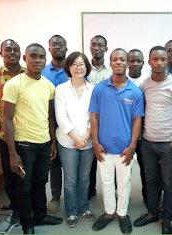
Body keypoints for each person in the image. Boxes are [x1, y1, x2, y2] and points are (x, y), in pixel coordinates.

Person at [3, 43, 63, 234]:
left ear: (45, 60)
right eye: (33, 56)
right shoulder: (14, 84)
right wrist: (12, 153)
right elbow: (7, 118)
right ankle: (27, 225)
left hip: (44, 143)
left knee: (40, 182)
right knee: (24, 186)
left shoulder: (48, 85)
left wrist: (53, 141)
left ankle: (41, 215)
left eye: (41, 57)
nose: (37, 60)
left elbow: (49, 116)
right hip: (24, 145)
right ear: (25, 59)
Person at [89, 48, 144, 234]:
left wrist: (132, 146)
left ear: (128, 63)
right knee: (105, 181)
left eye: (122, 59)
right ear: (110, 63)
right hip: (103, 147)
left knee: (124, 182)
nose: (118, 62)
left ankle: (122, 213)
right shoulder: (99, 89)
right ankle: (109, 212)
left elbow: (138, 120)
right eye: (115, 59)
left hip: (125, 149)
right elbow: (94, 116)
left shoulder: (135, 92)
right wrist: (95, 142)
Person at [134, 46, 172, 234]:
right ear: (149, 62)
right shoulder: (144, 84)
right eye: (154, 59)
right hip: (147, 142)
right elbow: (140, 112)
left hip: (168, 143)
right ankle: (152, 213)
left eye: (162, 59)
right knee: (150, 180)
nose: (158, 63)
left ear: (167, 62)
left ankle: (166, 219)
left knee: (169, 182)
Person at [0, 39, 26, 224]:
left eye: (16, 50)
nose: (12, 53)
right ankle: (16, 209)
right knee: (10, 175)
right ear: (1, 53)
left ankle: (29, 206)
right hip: (6, 137)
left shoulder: (29, 74)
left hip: (28, 134)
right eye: (8, 50)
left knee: (27, 174)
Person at [55, 51, 95, 228]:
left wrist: (85, 137)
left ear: (87, 68)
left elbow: (95, 116)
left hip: (88, 141)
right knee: (70, 179)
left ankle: (84, 207)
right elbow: (61, 117)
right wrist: (75, 138)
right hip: (67, 140)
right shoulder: (61, 89)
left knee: (85, 178)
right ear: (68, 67)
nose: (78, 68)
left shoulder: (94, 89)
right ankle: (71, 211)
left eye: (82, 64)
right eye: (74, 64)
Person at [41, 35, 68, 213]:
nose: (57, 47)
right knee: (54, 162)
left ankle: (86, 193)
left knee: (77, 164)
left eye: (60, 45)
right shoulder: (42, 72)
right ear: (49, 48)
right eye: (53, 45)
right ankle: (56, 196)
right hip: (49, 125)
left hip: (72, 127)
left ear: (66, 48)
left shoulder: (72, 69)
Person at [87, 35, 113, 200]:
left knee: (111, 159)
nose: (96, 48)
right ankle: (90, 191)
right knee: (90, 161)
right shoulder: (83, 67)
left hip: (109, 121)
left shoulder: (112, 69)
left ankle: (114, 192)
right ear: (90, 47)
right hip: (88, 120)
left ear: (106, 49)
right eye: (93, 45)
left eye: (100, 45)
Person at [126, 48, 147, 205]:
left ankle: (148, 198)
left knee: (146, 169)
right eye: (131, 60)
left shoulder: (147, 82)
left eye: (138, 61)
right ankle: (122, 197)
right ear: (127, 63)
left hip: (145, 135)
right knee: (124, 169)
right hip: (125, 134)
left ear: (143, 63)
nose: (135, 64)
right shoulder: (121, 81)